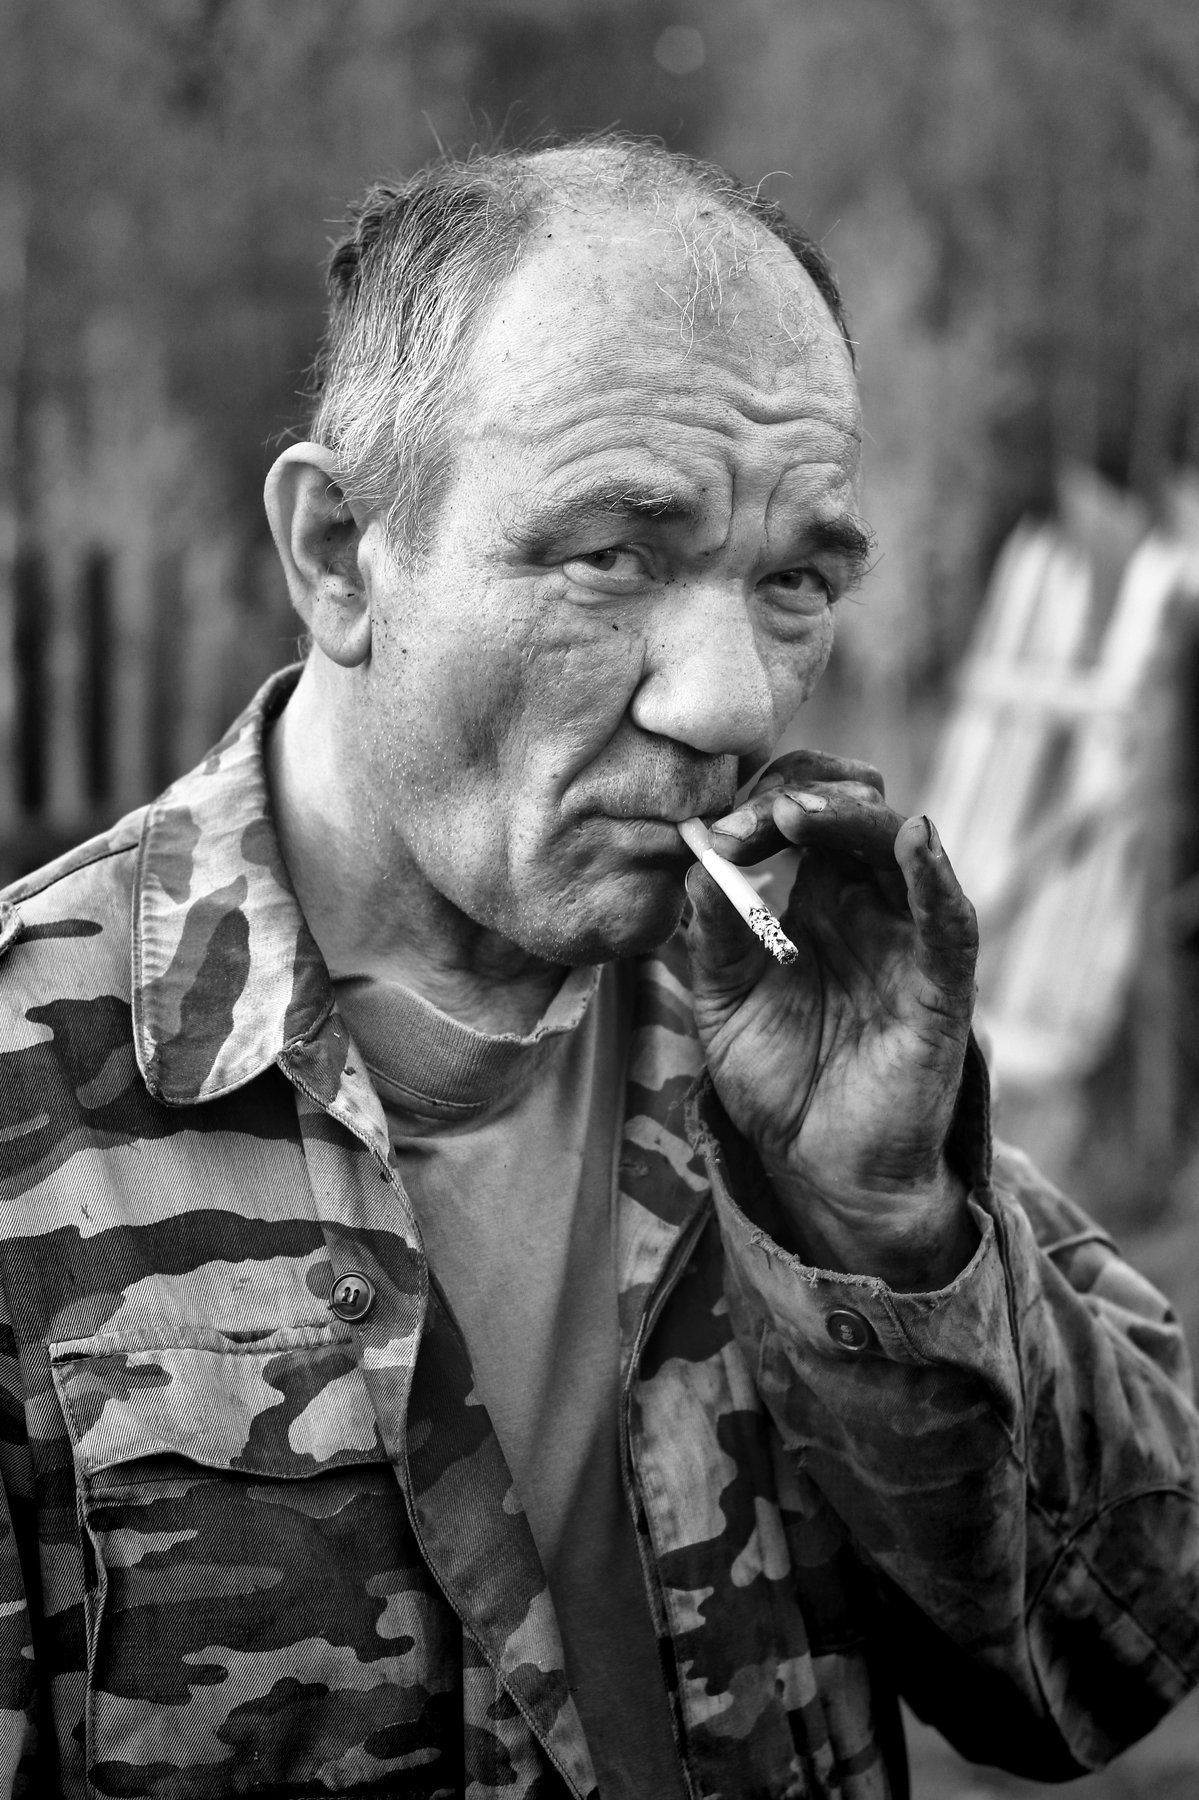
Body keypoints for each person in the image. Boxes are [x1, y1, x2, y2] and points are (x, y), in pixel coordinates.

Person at [0, 136, 1197, 1800]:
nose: (732, 702)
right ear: (341, 554)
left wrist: (889, 1224)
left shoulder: (778, 1005)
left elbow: (1114, 1660)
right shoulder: (36, 1097)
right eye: (613, 556)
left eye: (794, 580)